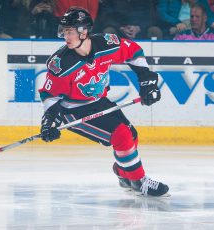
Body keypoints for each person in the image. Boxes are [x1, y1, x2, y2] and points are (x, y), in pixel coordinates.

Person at [38, 7, 169, 197]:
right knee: (122, 135)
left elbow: (133, 51)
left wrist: (147, 81)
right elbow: (50, 95)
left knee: (131, 137)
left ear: (84, 31)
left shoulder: (107, 44)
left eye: (70, 32)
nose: (66, 36)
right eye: (64, 31)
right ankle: (139, 182)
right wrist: (50, 120)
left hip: (98, 100)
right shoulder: (61, 62)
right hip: (73, 110)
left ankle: (124, 173)